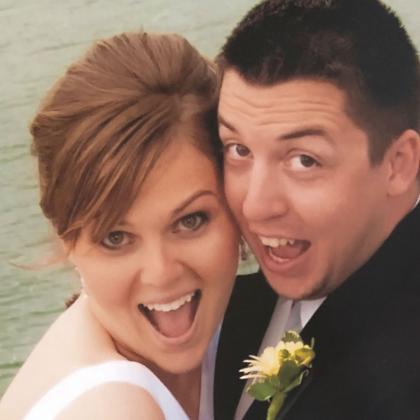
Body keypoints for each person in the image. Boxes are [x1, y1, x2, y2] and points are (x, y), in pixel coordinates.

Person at [0, 31, 240, 420]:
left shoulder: (244, 329)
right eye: (116, 238)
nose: (161, 272)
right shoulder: (111, 408)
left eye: (190, 221)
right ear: (67, 240)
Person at [213, 0, 420, 419]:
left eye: (304, 160)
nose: (255, 206)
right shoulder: (226, 304)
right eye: (238, 150)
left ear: (399, 163)